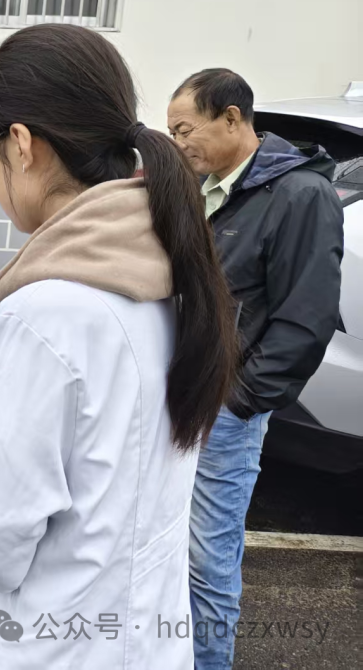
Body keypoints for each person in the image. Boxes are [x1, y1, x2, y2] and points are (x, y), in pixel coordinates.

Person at [0, 24, 238, 669]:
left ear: (23, 146)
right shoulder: (165, 270)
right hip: (132, 638)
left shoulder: (50, 313)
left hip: (34, 644)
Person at [167, 69, 344, 669]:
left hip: (225, 409)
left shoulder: (299, 195)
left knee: (209, 561)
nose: (180, 143)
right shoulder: (217, 187)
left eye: (185, 129)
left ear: (232, 118)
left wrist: (238, 401)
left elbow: (306, 318)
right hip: (189, 399)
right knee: (178, 551)